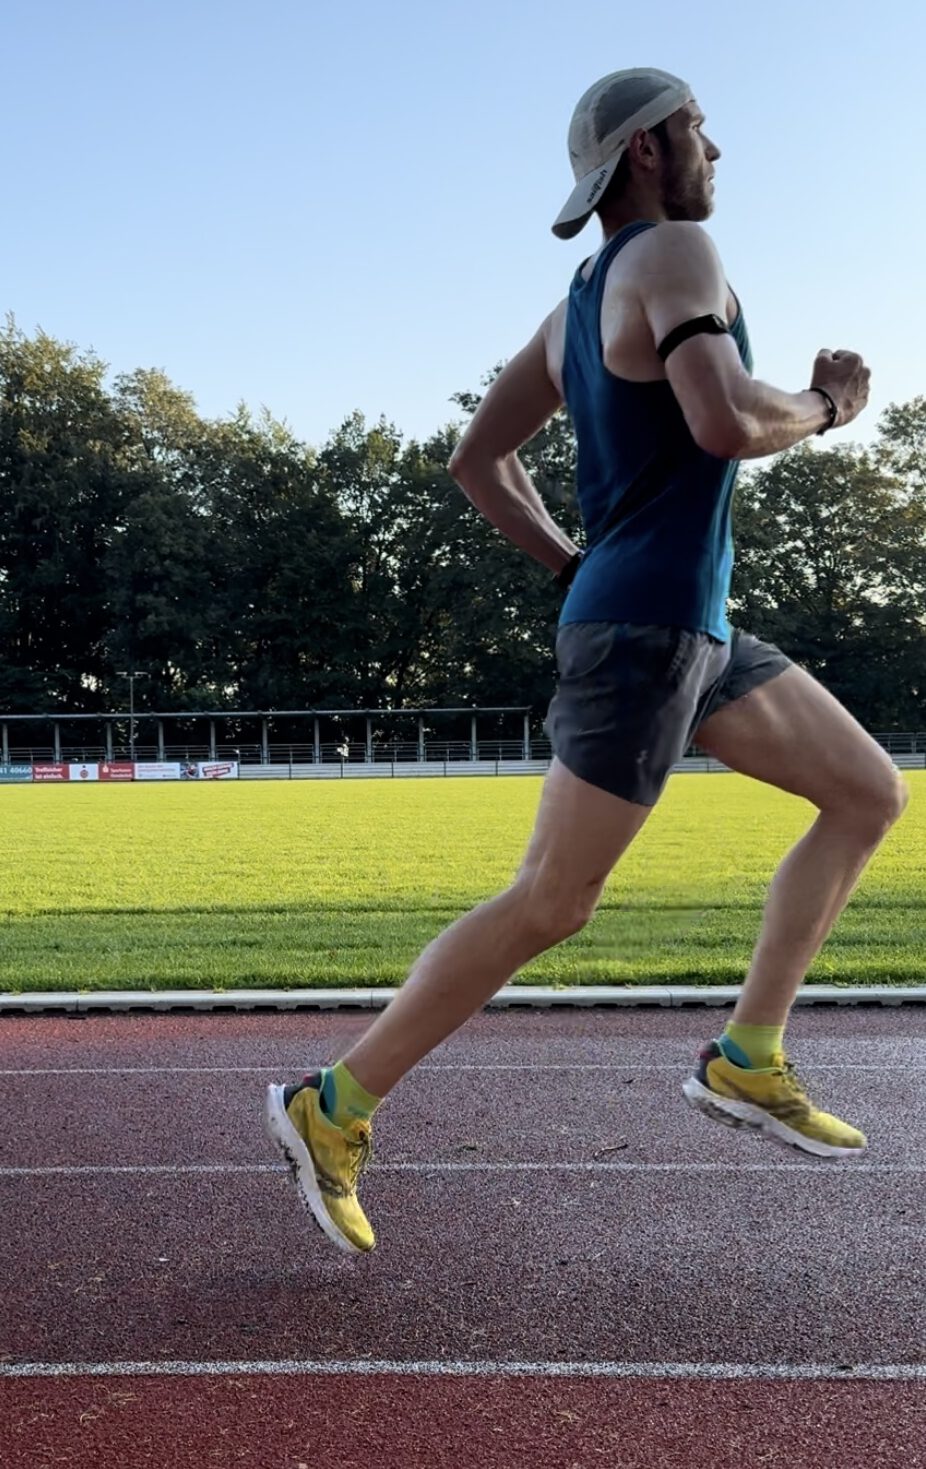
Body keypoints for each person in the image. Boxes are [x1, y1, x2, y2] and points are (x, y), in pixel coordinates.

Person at [265, 68, 907, 1254]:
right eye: (701, 129)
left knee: (866, 790)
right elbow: (720, 420)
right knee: (552, 899)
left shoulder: (570, 309)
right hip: (648, 630)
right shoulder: (673, 256)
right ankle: (333, 1102)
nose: (719, 148)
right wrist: (826, 403)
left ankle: (745, 1054)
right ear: (648, 152)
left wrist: (572, 561)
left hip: (683, 626)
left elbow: (477, 459)